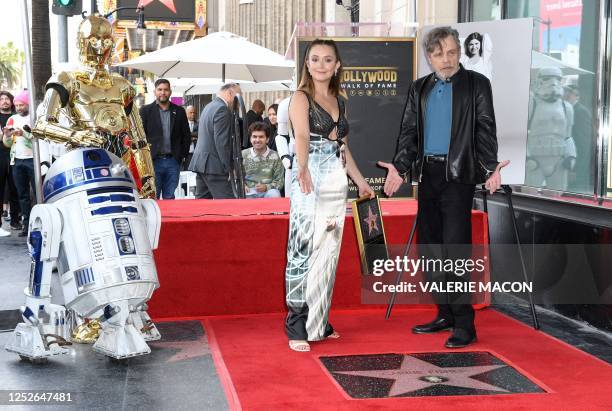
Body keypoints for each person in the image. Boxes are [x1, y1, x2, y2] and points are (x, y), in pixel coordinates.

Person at [378, 27, 508, 348]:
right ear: (429, 57)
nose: (446, 59)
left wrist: (490, 167)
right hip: (428, 175)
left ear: (459, 52)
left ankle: (465, 323)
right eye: (438, 54)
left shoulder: (477, 85)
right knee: (431, 248)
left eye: (451, 52)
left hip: (458, 175)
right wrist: (401, 166)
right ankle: (445, 312)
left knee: (455, 249)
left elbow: (485, 130)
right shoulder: (419, 88)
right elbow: (408, 133)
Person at [285, 39, 374, 352]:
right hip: (310, 179)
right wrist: (303, 167)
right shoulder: (300, 97)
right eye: (314, 59)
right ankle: (297, 325)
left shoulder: (341, 99)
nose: (320, 65)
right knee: (303, 247)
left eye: (327, 60)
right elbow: (302, 136)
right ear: (307, 64)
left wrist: (361, 182)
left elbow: (344, 148)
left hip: (336, 181)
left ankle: (318, 321)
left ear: (337, 66)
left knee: (329, 250)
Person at [32, 14, 156, 199]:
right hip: (81, 163)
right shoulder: (66, 79)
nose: (100, 46)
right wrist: (77, 136)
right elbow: (42, 125)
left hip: (120, 165)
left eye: (106, 41)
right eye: (94, 39)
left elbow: (139, 138)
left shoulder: (122, 85)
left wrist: (148, 177)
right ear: (81, 42)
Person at [525, 67, 576, 191]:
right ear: (539, 81)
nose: (553, 82)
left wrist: (571, 156)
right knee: (530, 195)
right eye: (547, 78)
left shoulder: (567, 107)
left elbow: (568, 136)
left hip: (559, 159)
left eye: (557, 78)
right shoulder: (531, 104)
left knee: (556, 197)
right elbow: (522, 134)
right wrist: (527, 157)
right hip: (535, 160)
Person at [139, 79, 191, 199]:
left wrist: (181, 156)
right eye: (160, 89)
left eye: (166, 90)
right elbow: (141, 136)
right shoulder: (145, 111)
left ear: (170, 92)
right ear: (155, 92)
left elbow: (186, 136)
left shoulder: (179, 111)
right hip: (153, 162)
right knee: (152, 197)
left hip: (173, 161)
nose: (163, 92)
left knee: (169, 197)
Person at [189, 83, 240, 199]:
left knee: (202, 205)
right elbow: (222, 142)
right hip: (214, 165)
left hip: (202, 163)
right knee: (228, 204)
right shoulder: (222, 109)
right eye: (239, 96)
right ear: (230, 93)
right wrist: (228, 168)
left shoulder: (209, 106)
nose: (238, 102)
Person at [2, 91, 35, 237]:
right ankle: (26, 226)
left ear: (28, 104)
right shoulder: (12, 119)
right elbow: (7, 143)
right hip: (17, 160)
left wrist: (24, 134)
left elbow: (37, 138)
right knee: (22, 195)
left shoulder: (34, 118)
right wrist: (8, 136)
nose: (19, 107)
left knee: (36, 193)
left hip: (33, 159)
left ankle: (39, 224)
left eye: (21, 105)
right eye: (17, 105)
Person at [563, 84, 594, 192]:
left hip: (577, 167)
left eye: (569, 93)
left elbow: (583, 143)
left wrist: (575, 167)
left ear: (577, 96)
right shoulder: (570, 109)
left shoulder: (580, 111)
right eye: (565, 93)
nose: (566, 95)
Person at [242, 122, 283, 198]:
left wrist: (266, 187)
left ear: (267, 139)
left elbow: (280, 182)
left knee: (275, 194)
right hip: (248, 192)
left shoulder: (276, 156)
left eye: (261, 137)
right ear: (250, 139)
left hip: (268, 192)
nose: (257, 140)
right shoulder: (243, 155)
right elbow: (235, 178)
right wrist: (242, 186)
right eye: (254, 137)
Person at [0, 91, 20, 235]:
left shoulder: (17, 117)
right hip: (0, 155)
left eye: (7, 99)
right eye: (1, 99)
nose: (4, 101)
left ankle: (15, 220)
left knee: (15, 187)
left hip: (16, 154)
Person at [184, 105, 199, 171]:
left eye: (194, 113)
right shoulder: (182, 124)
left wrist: (188, 135)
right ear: (186, 113)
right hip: (186, 155)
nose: (193, 114)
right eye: (191, 112)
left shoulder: (199, 124)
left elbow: (200, 134)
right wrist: (192, 137)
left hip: (196, 154)